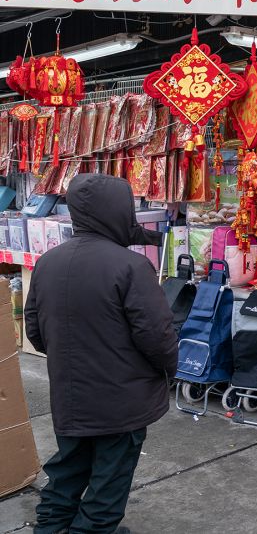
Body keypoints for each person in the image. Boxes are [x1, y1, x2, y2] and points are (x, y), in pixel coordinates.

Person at [25, 174, 178, 534]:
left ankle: (49, 529)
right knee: (107, 490)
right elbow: (157, 337)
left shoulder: (48, 262)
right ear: (117, 212)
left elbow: (35, 330)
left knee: (67, 473)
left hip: (70, 396)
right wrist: (169, 370)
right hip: (120, 402)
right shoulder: (131, 266)